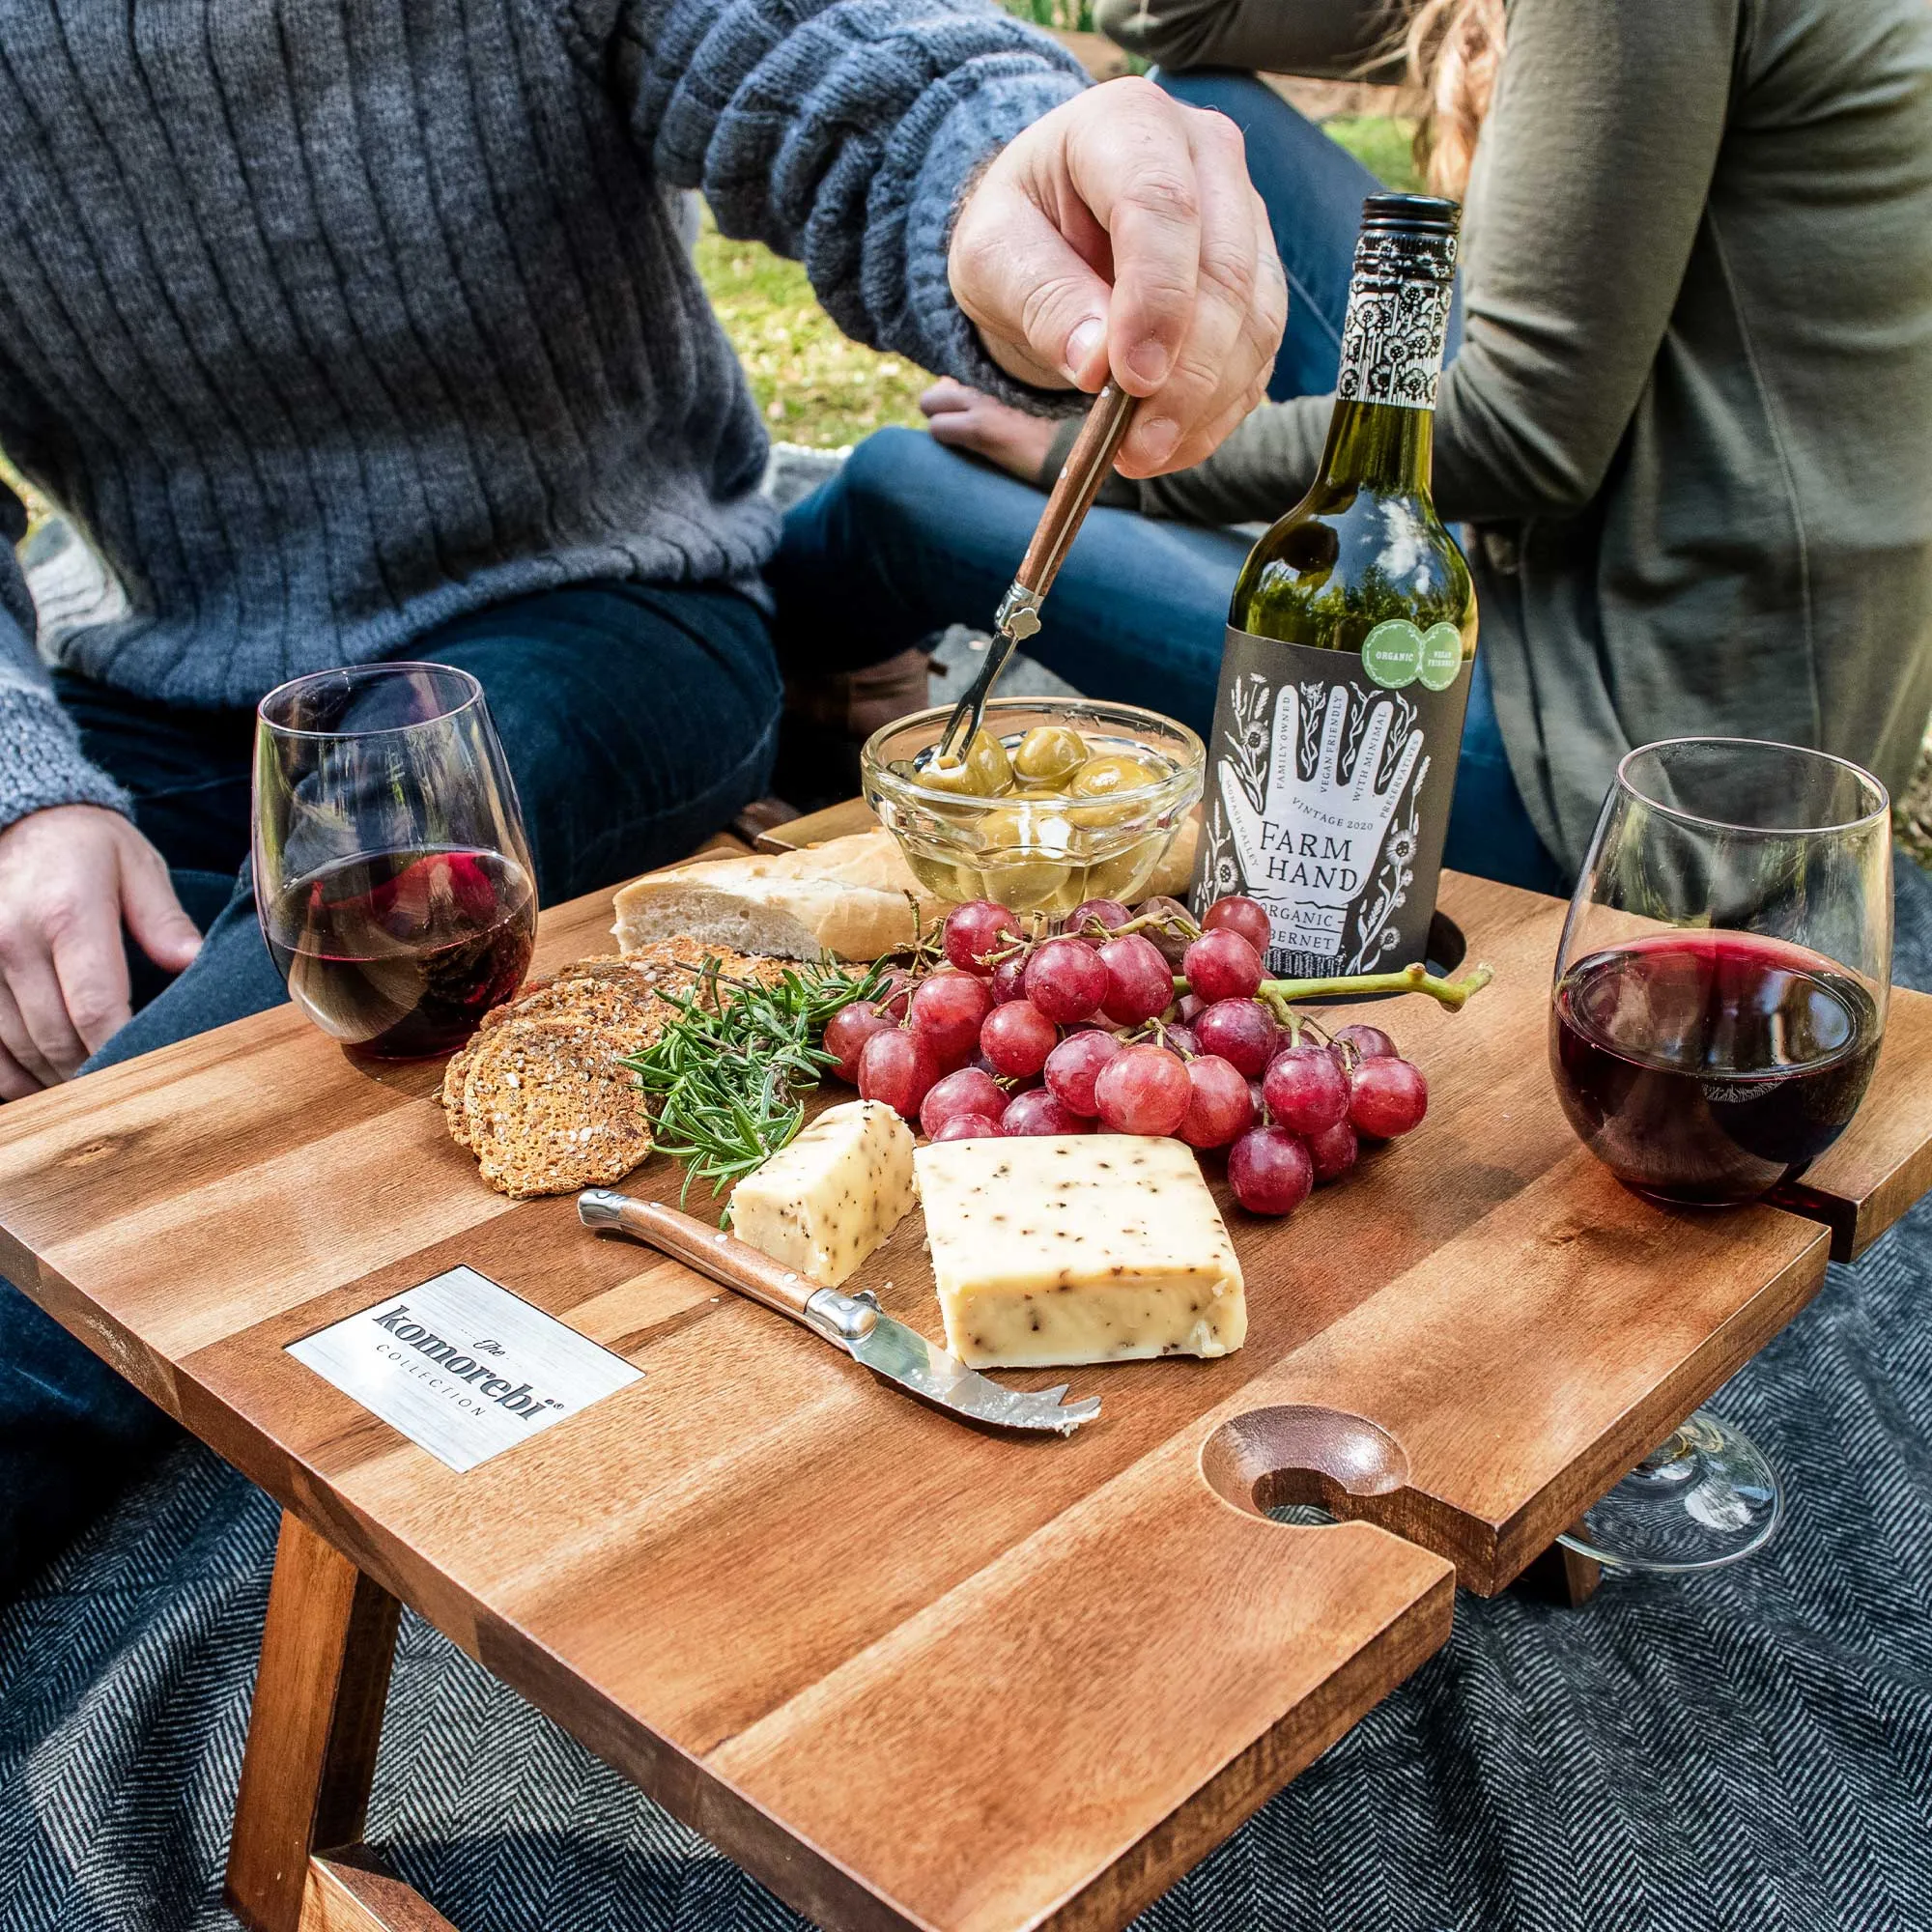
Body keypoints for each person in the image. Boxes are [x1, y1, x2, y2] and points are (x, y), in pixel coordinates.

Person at [0, 0, 1288, 1597]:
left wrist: (1011, 170)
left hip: (598, 619)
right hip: (164, 689)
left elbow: (834, 64)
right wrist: (19, 791)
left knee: (154, 1123)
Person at [771, 0, 1932, 899]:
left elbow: (1517, 435)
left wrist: (1103, 460)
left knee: (895, 487)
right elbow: (1178, 27)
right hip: (1685, 628)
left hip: (1624, 772)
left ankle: (795, 707)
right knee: (1202, 116)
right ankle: (859, 690)